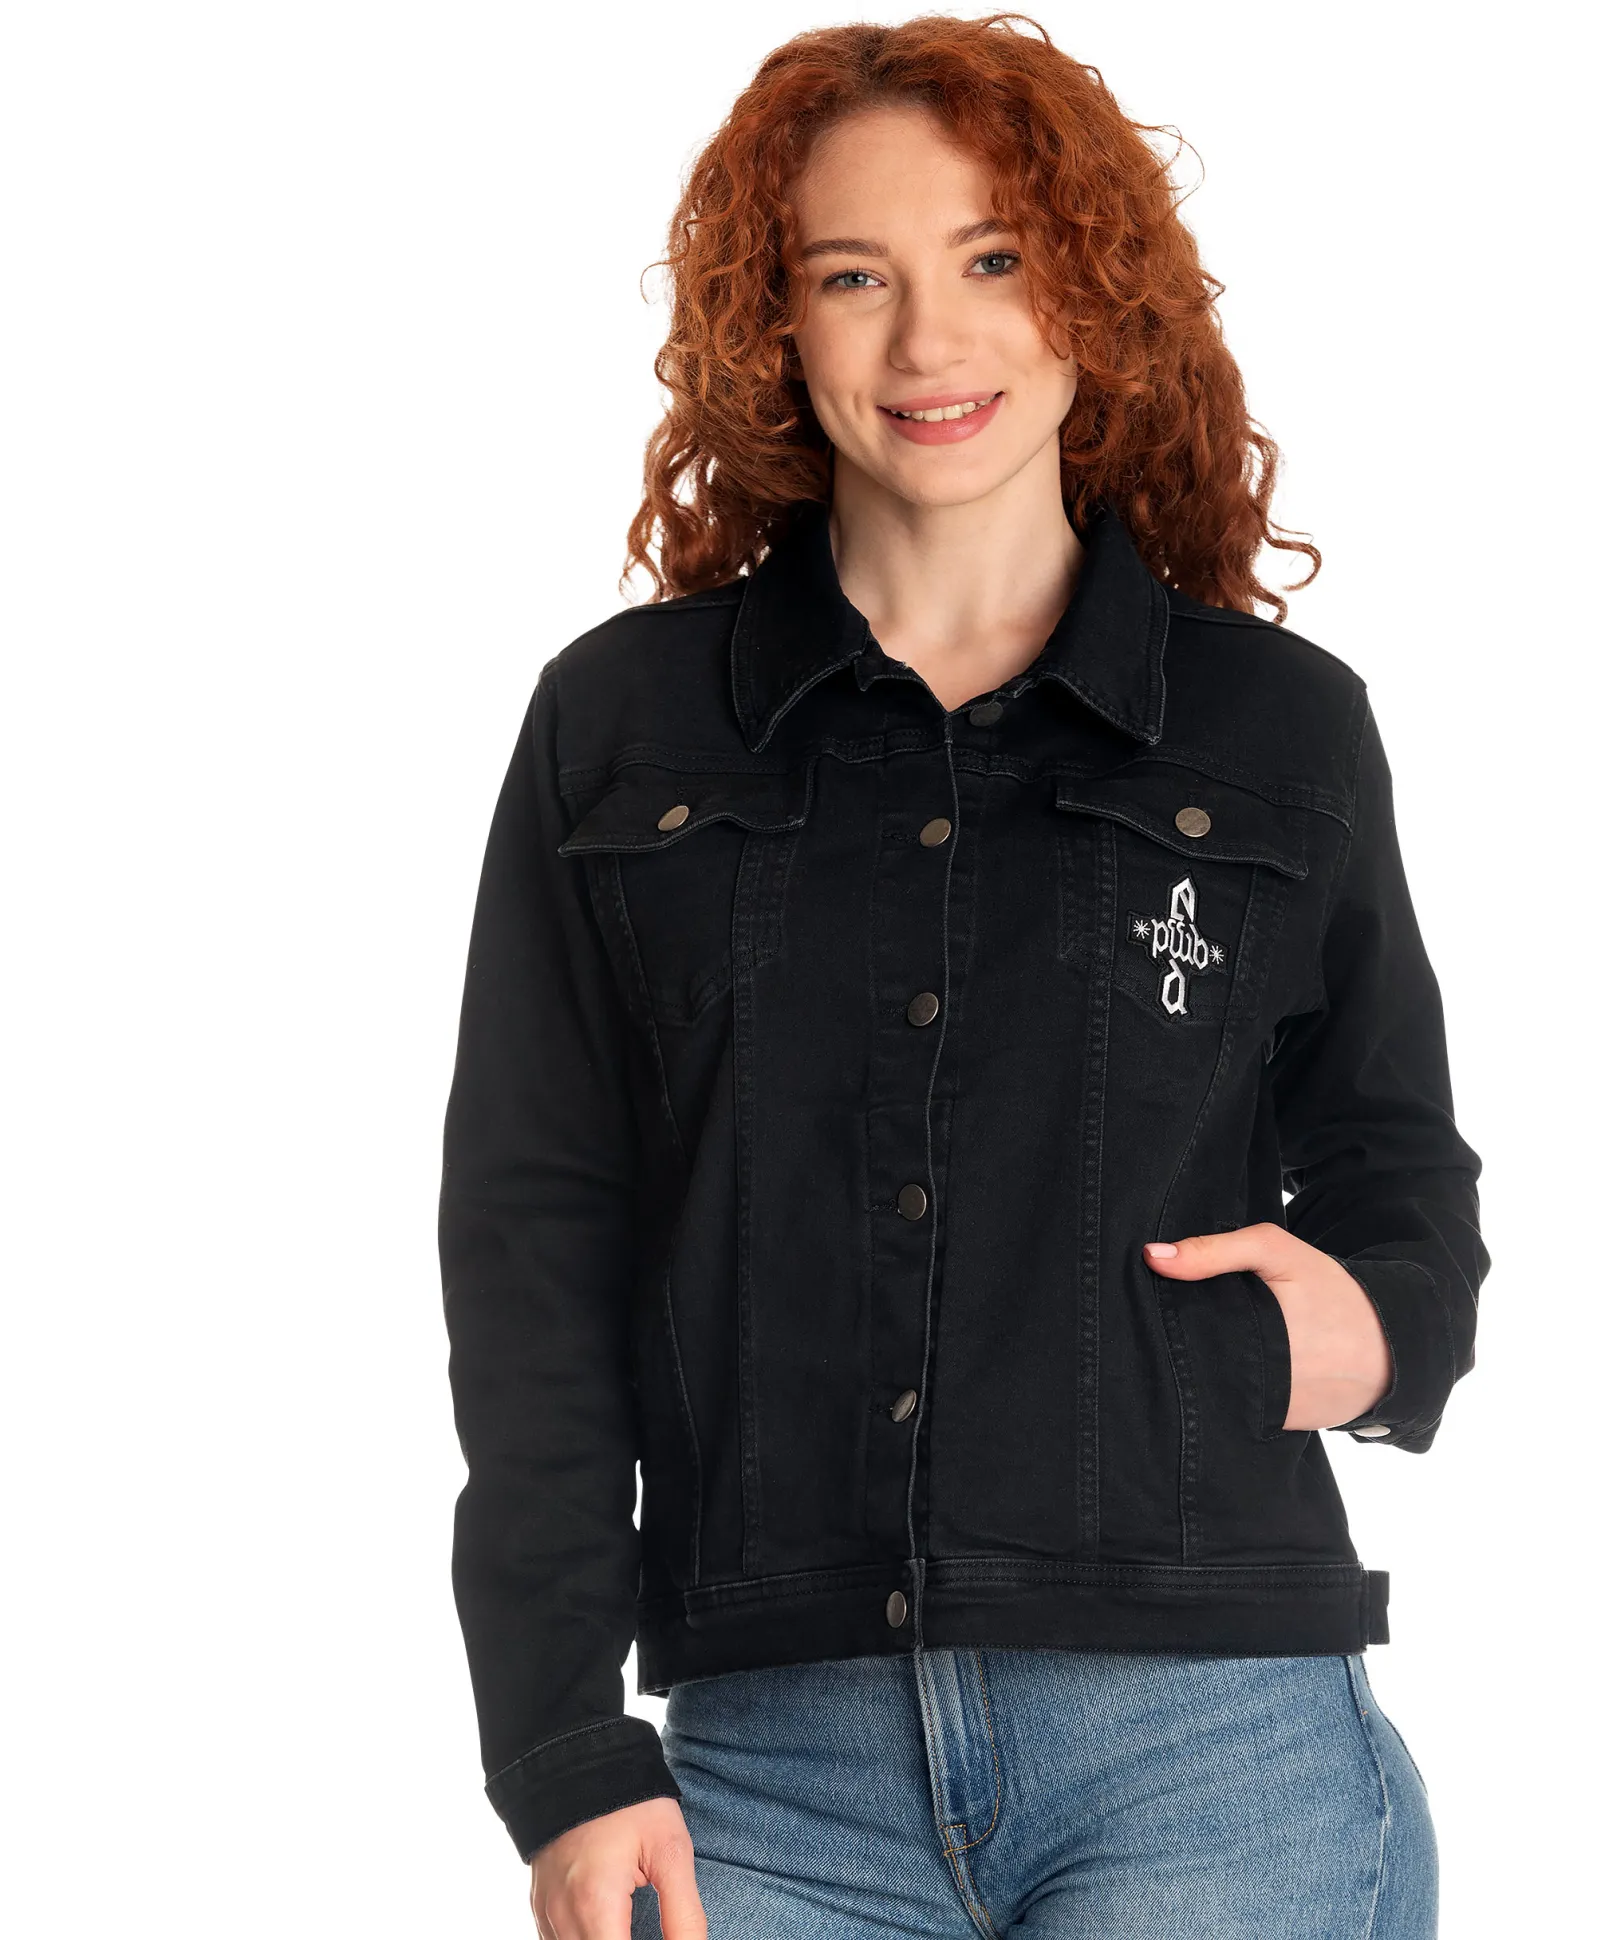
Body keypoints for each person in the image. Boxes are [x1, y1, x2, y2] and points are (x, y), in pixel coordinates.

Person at [438, 14, 1489, 1939]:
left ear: (1095, 292)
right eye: (855, 276)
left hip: (1214, 1760)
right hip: (762, 1786)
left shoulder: (1277, 726)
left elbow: (1399, 1173)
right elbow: (533, 1249)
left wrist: (1376, 1335)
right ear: (777, 325)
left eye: (993, 258)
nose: (931, 341)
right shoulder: (623, 726)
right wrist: (564, 1749)